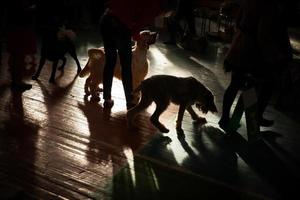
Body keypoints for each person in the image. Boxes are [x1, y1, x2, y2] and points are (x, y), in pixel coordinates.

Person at [218, 0, 293, 131]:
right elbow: (263, 34)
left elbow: (239, 20)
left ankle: (227, 118)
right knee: (254, 86)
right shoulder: (268, 5)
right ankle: (253, 122)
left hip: (240, 44)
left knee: (236, 84)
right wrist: (273, 56)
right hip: (252, 50)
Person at [99, 0, 166, 110]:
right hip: (120, 26)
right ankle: (130, 101)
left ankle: (107, 99)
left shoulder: (150, 4)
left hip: (106, 20)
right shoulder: (153, 8)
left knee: (110, 62)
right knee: (126, 66)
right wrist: (141, 41)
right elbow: (135, 33)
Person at [6, 0, 37, 91]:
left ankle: (14, 81)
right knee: (20, 55)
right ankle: (17, 82)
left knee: (14, 54)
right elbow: (22, 10)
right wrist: (33, 8)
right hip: (21, 26)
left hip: (12, 25)